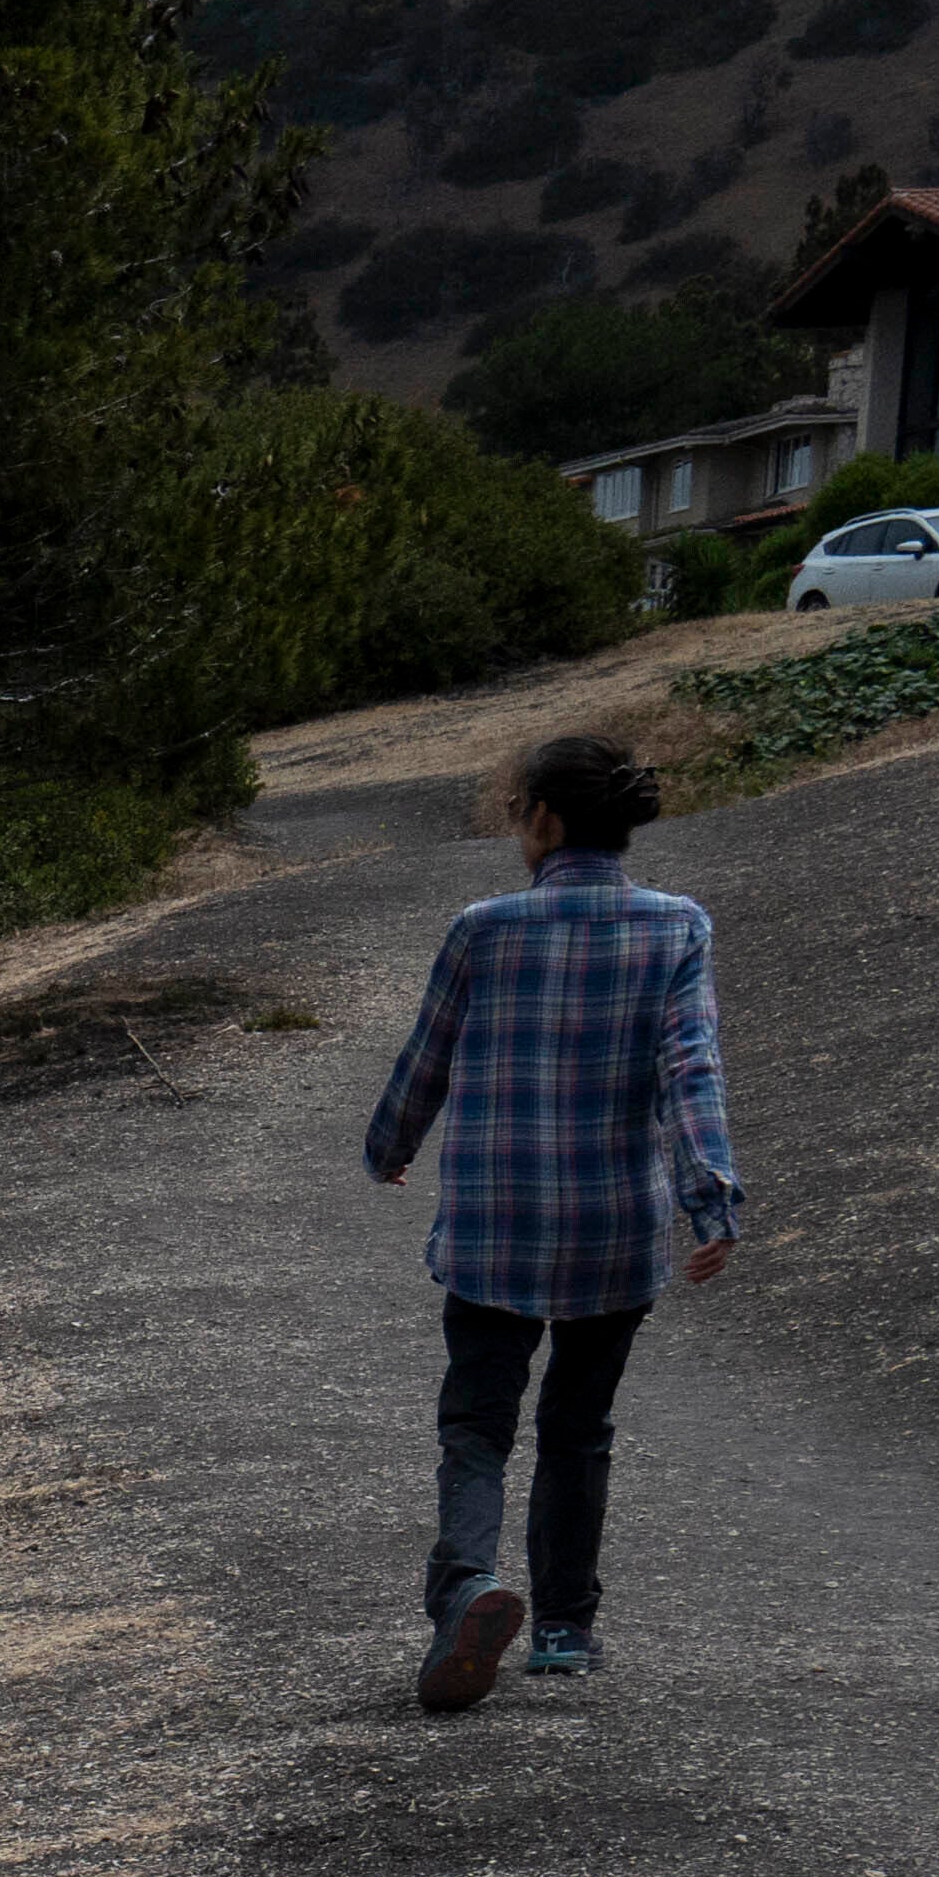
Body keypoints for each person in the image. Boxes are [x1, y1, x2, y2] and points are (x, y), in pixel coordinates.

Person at [354, 727, 741, 1710]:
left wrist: (388, 1147)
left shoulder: (482, 929)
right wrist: (709, 1199)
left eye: (520, 810)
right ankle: (564, 1627)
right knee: (578, 1426)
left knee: (476, 1427)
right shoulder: (677, 927)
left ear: (549, 821)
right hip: (614, 1227)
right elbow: (688, 1072)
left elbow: (425, 1060)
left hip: (494, 1223)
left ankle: (467, 1590)